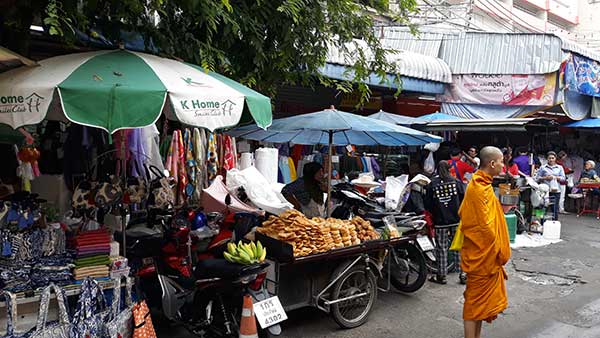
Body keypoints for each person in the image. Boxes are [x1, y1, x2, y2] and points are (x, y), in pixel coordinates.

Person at [459, 146, 511, 338]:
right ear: (492, 163)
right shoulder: (478, 188)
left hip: (485, 257)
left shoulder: (484, 184)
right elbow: (484, 228)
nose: (503, 165)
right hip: (481, 257)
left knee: (479, 307)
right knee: (473, 306)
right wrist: (498, 249)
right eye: (501, 162)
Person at [425, 161, 466, 285]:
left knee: (441, 248)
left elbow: (427, 204)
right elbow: (463, 199)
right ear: (449, 169)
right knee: (459, 246)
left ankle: (442, 275)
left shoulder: (432, 185)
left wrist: (436, 212)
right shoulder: (456, 183)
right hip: (456, 220)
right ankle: (463, 274)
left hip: (440, 221)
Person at [535, 151, 566, 221]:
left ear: (555, 159)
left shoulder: (559, 167)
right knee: (543, 208)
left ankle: (554, 224)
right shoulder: (543, 168)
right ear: (547, 159)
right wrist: (545, 178)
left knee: (554, 208)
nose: (551, 160)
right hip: (545, 191)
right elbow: (537, 178)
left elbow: (563, 178)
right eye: (549, 158)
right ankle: (542, 224)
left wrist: (556, 177)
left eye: (552, 158)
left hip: (556, 191)